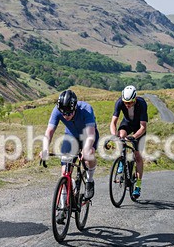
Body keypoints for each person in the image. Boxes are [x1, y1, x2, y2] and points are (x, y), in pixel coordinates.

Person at [41, 90, 98, 222]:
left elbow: (90, 135)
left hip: (87, 135)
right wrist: (44, 148)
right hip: (71, 137)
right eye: (63, 113)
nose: (65, 116)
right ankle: (62, 208)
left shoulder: (86, 109)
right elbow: (49, 131)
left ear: (75, 107)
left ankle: (89, 180)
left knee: (89, 155)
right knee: (64, 172)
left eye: (69, 113)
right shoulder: (57, 110)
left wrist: (86, 149)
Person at [110, 85, 147, 199]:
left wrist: (134, 137)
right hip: (127, 123)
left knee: (137, 156)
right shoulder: (119, 102)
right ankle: (122, 160)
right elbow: (113, 122)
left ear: (135, 99)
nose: (127, 105)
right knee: (121, 136)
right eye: (125, 103)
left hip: (138, 128)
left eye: (130, 103)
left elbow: (143, 127)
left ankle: (138, 186)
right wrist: (113, 135)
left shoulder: (141, 103)